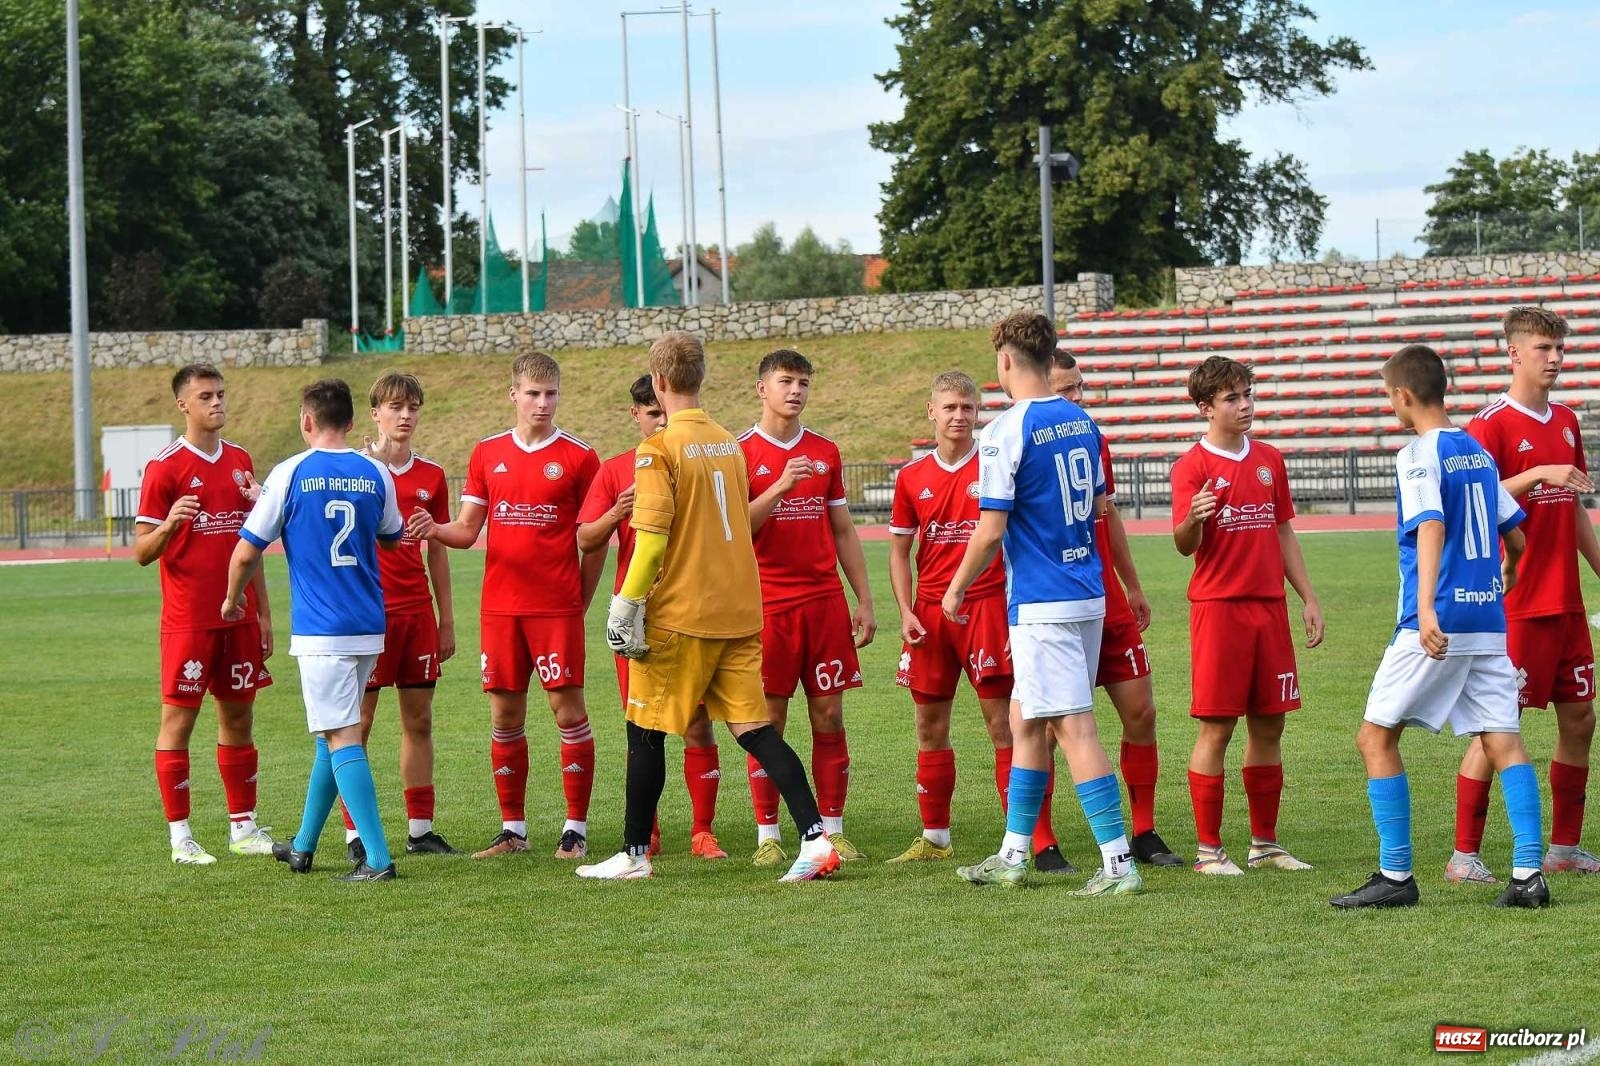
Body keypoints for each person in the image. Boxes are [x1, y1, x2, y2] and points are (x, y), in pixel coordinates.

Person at [577, 331, 841, 883]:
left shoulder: (658, 449)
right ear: (701, 380)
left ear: (659, 383)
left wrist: (624, 604)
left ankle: (634, 854)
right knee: (756, 729)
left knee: (643, 729)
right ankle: (816, 840)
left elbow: (649, 541)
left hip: (683, 613)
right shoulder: (727, 442)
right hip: (741, 610)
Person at [1332, 344, 1550, 909]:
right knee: (1502, 737)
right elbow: (1518, 537)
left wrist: (1426, 608)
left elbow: (1429, 525)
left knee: (1375, 736)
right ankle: (1529, 874)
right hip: (1487, 618)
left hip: (1438, 619)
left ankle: (1396, 876)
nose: (1391, 405)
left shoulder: (1417, 454)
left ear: (1403, 396)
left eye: (1389, 396)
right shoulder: (1477, 453)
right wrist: (1506, 570)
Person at [944, 311, 1141, 896]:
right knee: (1025, 720)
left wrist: (955, 587)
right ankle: (1014, 853)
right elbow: (1102, 507)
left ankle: (1117, 862)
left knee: (1073, 726)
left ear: (1006, 361)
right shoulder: (1081, 420)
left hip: (1042, 601)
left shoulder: (1007, 431)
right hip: (1086, 591)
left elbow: (990, 528)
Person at [406, 352, 603, 861]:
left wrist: (578, 600)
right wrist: (434, 528)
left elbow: (594, 540)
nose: (542, 403)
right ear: (513, 394)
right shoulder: (487, 453)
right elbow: (468, 529)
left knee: (568, 711)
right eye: (533, 393)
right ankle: (513, 830)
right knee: (505, 712)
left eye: (551, 393)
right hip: (500, 610)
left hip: (556, 609)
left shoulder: (581, 457)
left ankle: (575, 830)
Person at [885, 370, 1070, 871]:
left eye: (967, 408)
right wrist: (904, 610)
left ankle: (1027, 836)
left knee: (1005, 727)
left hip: (987, 607)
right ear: (932, 412)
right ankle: (935, 834)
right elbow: (900, 552)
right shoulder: (911, 477)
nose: (959, 417)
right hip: (929, 615)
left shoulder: (995, 463)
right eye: (949, 408)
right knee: (929, 724)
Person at [226, 378, 404, 882]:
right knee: (333, 733)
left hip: (322, 630)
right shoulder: (377, 473)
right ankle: (303, 845)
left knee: (342, 733)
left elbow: (245, 551)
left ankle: (377, 858)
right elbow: (392, 540)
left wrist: (233, 597)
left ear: (307, 421)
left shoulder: (289, 473)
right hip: (368, 624)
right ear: (351, 422)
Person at [1450, 306, 1599, 882]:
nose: (1555, 359)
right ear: (1514, 354)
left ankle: (1563, 847)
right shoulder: (1490, 425)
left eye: (1560, 349)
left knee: (1580, 719)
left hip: (1567, 604)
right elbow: (1471, 502)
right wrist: (1537, 475)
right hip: (1516, 607)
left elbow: (1577, 506)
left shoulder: (1565, 419)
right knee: (1497, 730)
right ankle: (1464, 856)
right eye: (1543, 349)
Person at [1172, 355, 1324, 876]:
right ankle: (1208, 850)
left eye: (1248, 394)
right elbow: (1182, 545)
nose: (1245, 406)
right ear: (1205, 408)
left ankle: (1265, 844)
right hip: (1219, 612)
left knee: (1270, 725)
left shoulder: (1269, 460)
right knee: (1216, 728)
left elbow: (1283, 530)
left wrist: (1307, 596)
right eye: (1232, 398)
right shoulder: (1191, 467)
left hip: (1269, 610)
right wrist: (1193, 520)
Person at [577, 375, 726, 860]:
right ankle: (650, 831)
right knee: (643, 725)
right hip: (640, 615)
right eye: (652, 414)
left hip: (694, 605)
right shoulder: (617, 469)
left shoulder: (697, 457)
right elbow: (586, 539)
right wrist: (615, 511)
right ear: (636, 415)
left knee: (699, 720)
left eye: (665, 412)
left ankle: (703, 830)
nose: (661, 421)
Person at [738, 349, 877, 864]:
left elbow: (843, 528)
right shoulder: (740, 452)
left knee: (829, 716)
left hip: (823, 604)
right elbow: (737, 527)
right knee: (767, 720)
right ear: (762, 388)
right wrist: (780, 486)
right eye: (785, 381)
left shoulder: (826, 451)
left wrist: (862, 599)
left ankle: (833, 827)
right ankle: (768, 835)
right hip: (767, 605)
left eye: (802, 382)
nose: (795, 390)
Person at [135, 363, 275, 865]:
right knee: (179, 720)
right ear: (183, 405)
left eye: (220, 394)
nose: (217, 402)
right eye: (206, 396)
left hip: (238, 616)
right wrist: (170, 525)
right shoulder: (165, 467)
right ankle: (181, 837)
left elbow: (251, 544)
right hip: (189, 619)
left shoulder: (240, 460)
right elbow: (141, 551)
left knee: (239, 716)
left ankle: (243, 827)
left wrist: (262, 614)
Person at [1047, 350, 1181, 866]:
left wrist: (1134, 585)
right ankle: (1041, 841)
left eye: (1080, 388)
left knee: (1141, 712)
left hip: (1106, 599)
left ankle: (1144, 831)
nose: (1077, 399)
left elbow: (1108, 516)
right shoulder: (1019, 442)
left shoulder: (1092, 440)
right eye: (1065, 390)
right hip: (1054, 603)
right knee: (1045, 727)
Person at [336, 371, 458, 863]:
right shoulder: (356, 472)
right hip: (368, 616)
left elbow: (439, 552)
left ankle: (420, 828)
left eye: (412, 407)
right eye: (395, 407)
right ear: (375, 414)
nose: (405, 416)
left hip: (416, 615)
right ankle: (354, 833)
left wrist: (446, 619)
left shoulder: (430, 476)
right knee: (358, 723)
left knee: (419, 720)